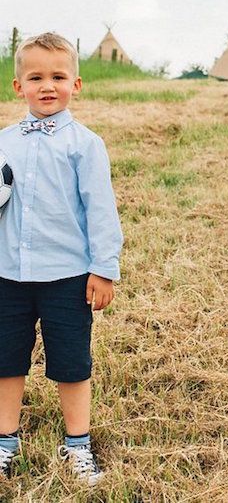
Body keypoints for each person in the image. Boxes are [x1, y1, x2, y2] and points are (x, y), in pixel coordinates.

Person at [0, 33, 123, 485]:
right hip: (7, 274)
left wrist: (103, 269)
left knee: (71, 362)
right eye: (36, 77)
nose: (47, 85)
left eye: (58, 76)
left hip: (67, 276)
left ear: (77, 83)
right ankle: (5, 441)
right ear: (18, 86)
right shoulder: (3, 142)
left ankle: (77, 445)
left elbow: (101, 210)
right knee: (5, 360)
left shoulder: (85, 145)